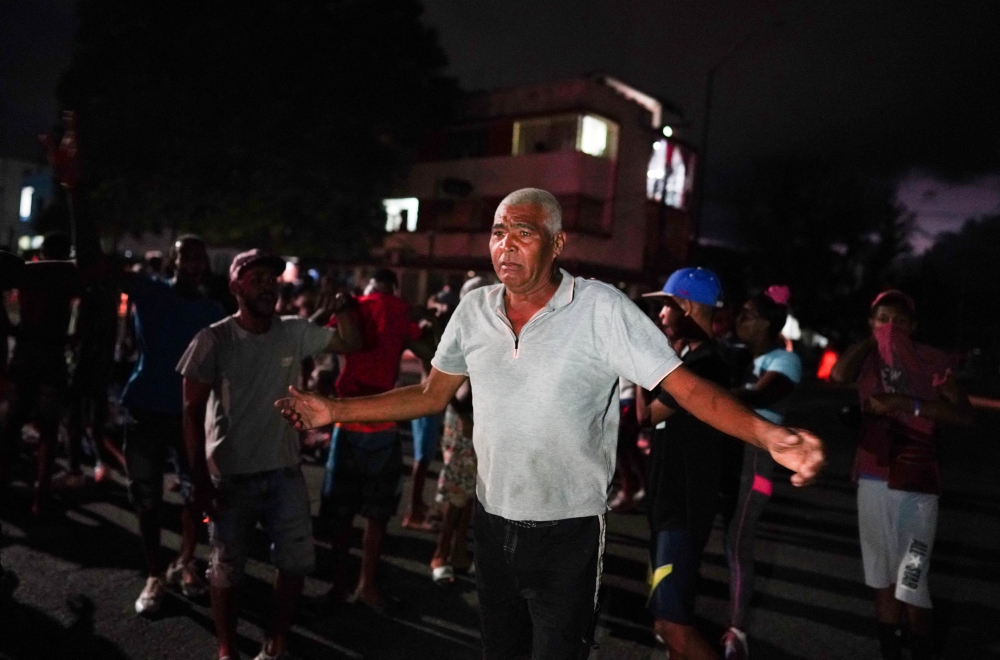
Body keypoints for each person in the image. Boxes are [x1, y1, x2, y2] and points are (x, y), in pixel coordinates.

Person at [276, 188, 825, 660]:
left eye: (523, 232)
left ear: (558, 243)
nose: (505, 245)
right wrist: (334, 409)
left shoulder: (601, 310)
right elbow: (428, 393)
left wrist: (770, 434)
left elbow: (686, 389)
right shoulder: (474, 312)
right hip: (491, 527)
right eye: (497, 232)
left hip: (569, 532)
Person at [178, 250, 361, 660]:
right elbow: (190, 414)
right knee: (226, 567)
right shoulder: (213, 339)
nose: (267, 284)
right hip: (231, 475)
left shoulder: (293, 331)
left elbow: (351, 341)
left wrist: (344, 304)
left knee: (296, 562)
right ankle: (227, 647)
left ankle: (276, 638)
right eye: (255, 277)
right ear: (235, 287)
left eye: (272, 278)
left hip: (284, 472)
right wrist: (198, 479)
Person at [830, 290, 972, 660]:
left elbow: (964, 414)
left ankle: (922, 647)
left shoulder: (930, 359)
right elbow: (838, 374)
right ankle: (892, 650)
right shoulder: (867, 359)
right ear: (870, 322)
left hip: (918, 480)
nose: (891, 327)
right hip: (873, 476)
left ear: (914, 326)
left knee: (911, 579)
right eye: (881, 318)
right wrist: (872, 340)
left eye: (899, 321)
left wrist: (907, 404)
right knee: (880, 577)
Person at [121, 236, 228, 615]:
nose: (194, 263)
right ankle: (154, 574)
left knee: (194, 494)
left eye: (201, 257)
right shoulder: (149, 290)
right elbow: (98, 270)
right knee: (146, 497)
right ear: (173, 259)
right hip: (146, 406)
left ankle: (184, 560)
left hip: (190, 415)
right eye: (187, 256)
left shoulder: (212, 310)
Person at [640, 267, 736, 660]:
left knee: (670, 622)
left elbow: (648, 414)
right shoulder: (689, 359)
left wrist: (643, 356)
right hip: (672, 501)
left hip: (681, 505)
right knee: (673, 617)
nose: (661, 316)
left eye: (666, 306)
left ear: (687, 306)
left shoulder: (705, 366)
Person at [318, 268, 429, 609]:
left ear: (369, 285)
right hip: (382, 419)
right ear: (394, 288)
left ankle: (337, 584)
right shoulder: (399, 310)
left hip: (347, 419)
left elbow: (320, 337)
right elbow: (427, 350)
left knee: (341, 512)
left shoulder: (356, 305)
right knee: (377, 514)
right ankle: (366, 583)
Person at [720, 286, 803, 660]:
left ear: (768, 323)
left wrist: (707, 391)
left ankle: (737, 631)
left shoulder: (784, 361)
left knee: (739, 543)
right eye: (740, 312)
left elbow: (758, 397)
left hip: (757, 459)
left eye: (750, 314)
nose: (741, 320)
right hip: (726, 454)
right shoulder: (736, 356)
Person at [0, 233, 80, 515]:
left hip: (25, 352)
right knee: (47, 429)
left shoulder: (28, 276)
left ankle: (6, 486)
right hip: (51, 354)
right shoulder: (66, 277)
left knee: (12, 425)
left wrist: (12, 328)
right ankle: (41, 495)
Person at [429, 275, 489, 584]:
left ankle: (459, 553)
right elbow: (449, 387)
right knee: (457, 493)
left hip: (480, 421)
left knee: (470, 494)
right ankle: (441, 553)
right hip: (464, 419)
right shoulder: (463, 332)